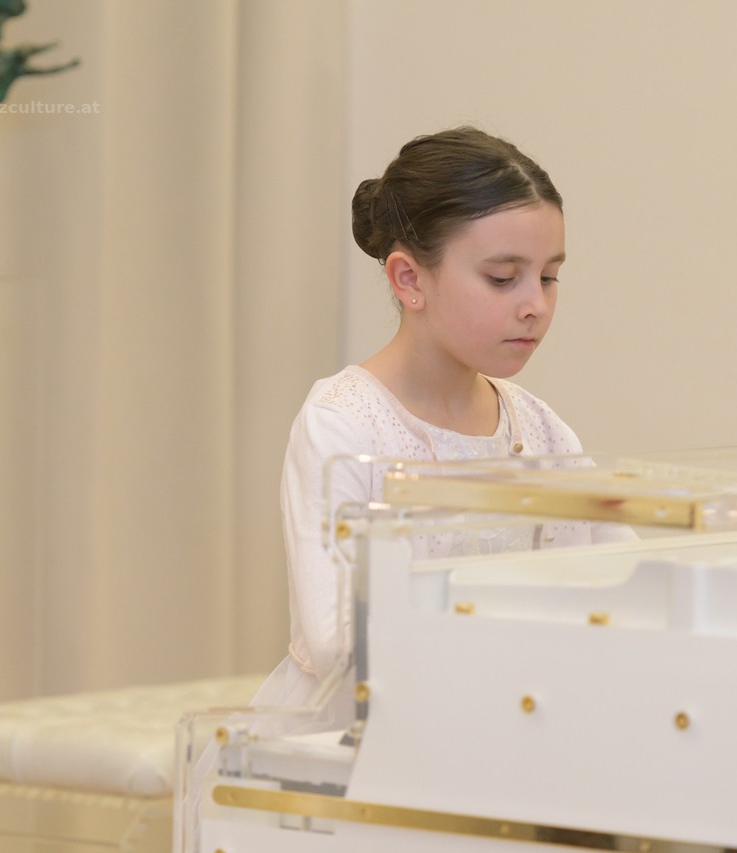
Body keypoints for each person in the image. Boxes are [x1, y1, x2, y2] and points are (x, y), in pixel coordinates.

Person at [253, 126, 612, 711]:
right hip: (364, 733)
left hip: (507, 715)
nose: (536, 305)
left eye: (549, 277)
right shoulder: (343, 425)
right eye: (503, 279)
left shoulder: (542, 430)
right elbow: (335, 642)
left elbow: (610, 581)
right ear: (410, 279)